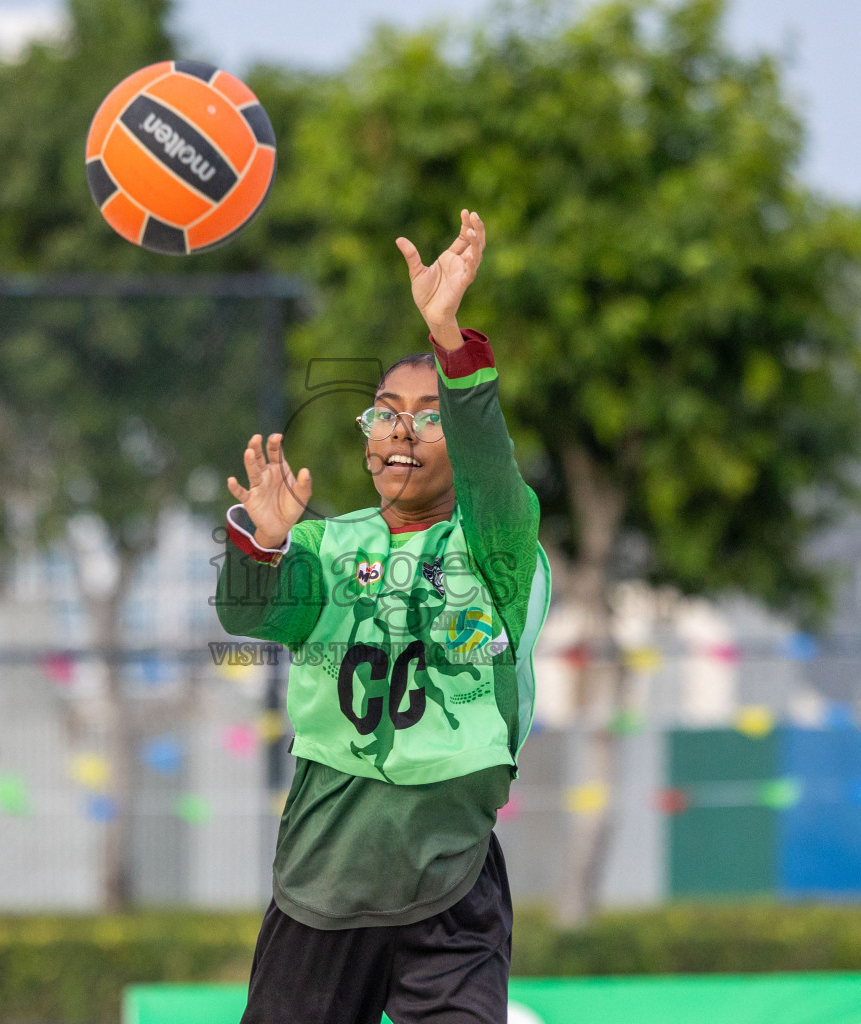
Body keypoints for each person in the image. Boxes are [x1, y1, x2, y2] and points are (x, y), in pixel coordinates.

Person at [216, 209, 548, 1024]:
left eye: (427, 413)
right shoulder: (324, 546)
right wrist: (263, 543)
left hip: (452, 879)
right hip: (324, 876)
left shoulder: (498, 549)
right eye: (385, 411)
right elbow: (251, 614)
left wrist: (450, 341)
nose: (402, 429)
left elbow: (492, 469)